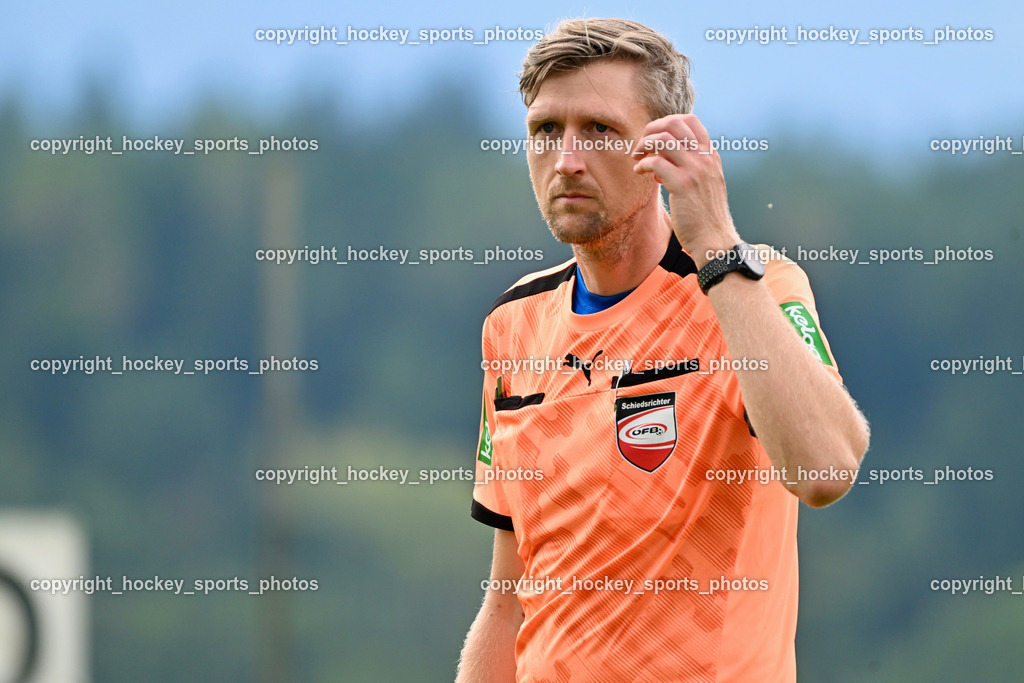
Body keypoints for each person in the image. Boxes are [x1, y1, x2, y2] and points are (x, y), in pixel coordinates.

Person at [456, 18, 870, 683]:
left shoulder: (751, 287)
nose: (567, 159)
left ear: (663, 145)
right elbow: (508, 595)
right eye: (545, 131)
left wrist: (715, 244)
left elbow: (825, 469)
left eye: (599, 129)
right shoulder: (513, 323)